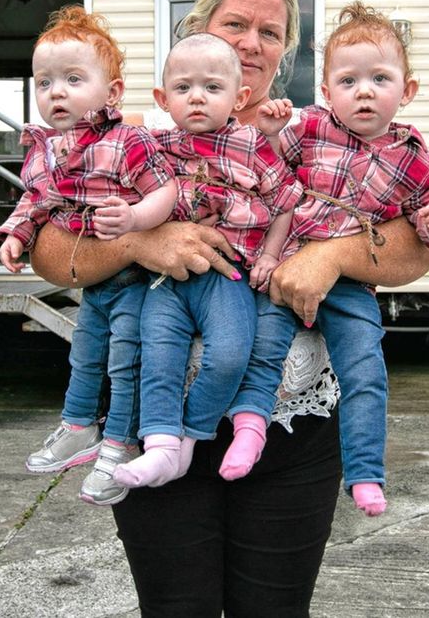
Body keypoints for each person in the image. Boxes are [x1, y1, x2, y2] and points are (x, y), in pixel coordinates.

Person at [28, 0, 429, 616]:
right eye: (235, 24)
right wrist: (139, 241)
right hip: (154, 417)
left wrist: (333, 255)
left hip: (292, 426)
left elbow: (418, 245)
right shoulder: (135, 137)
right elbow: (49, 252)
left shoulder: (324, 130)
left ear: (287, 52)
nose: (251, 43)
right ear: (199, 29)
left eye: (270, 32)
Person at [244, 2, 429, 517]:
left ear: (406, 90)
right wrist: (273, 131)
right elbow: (262, 168)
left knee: (365, 371)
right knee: (264, 353)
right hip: (288, 268)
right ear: (326, 92)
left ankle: (365, 474)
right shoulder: (311, 128)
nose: (363, 91)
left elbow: (424, 209)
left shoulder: (412, 154)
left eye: (380, 78)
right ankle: (249, 430)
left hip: (352, 286)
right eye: (348, 81)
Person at [0, 6, 176, 506]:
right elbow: (36, 200)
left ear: (112, 92)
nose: (56, 92)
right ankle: (78, 427)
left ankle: (118, 443)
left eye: (73, 79)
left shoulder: (126, 140)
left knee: (124, 362)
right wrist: (16, 235)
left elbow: (165, 190)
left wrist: (138, 221)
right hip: (95, 284)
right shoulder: (45, 149)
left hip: (137, 280)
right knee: (83, 354)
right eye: (45, 81)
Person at [111, 33, 302, 490]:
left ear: (240, 98)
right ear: (162, 98)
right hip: (164, 276)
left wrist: (272, 254)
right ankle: (158, 445)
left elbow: (286, 202)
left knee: (231, 353)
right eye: (183, 88)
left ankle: (191, 436)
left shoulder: (253, 145)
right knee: (157, 356)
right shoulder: (151, 146)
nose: (197, 97)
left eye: (212, 88)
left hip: (227, 273)